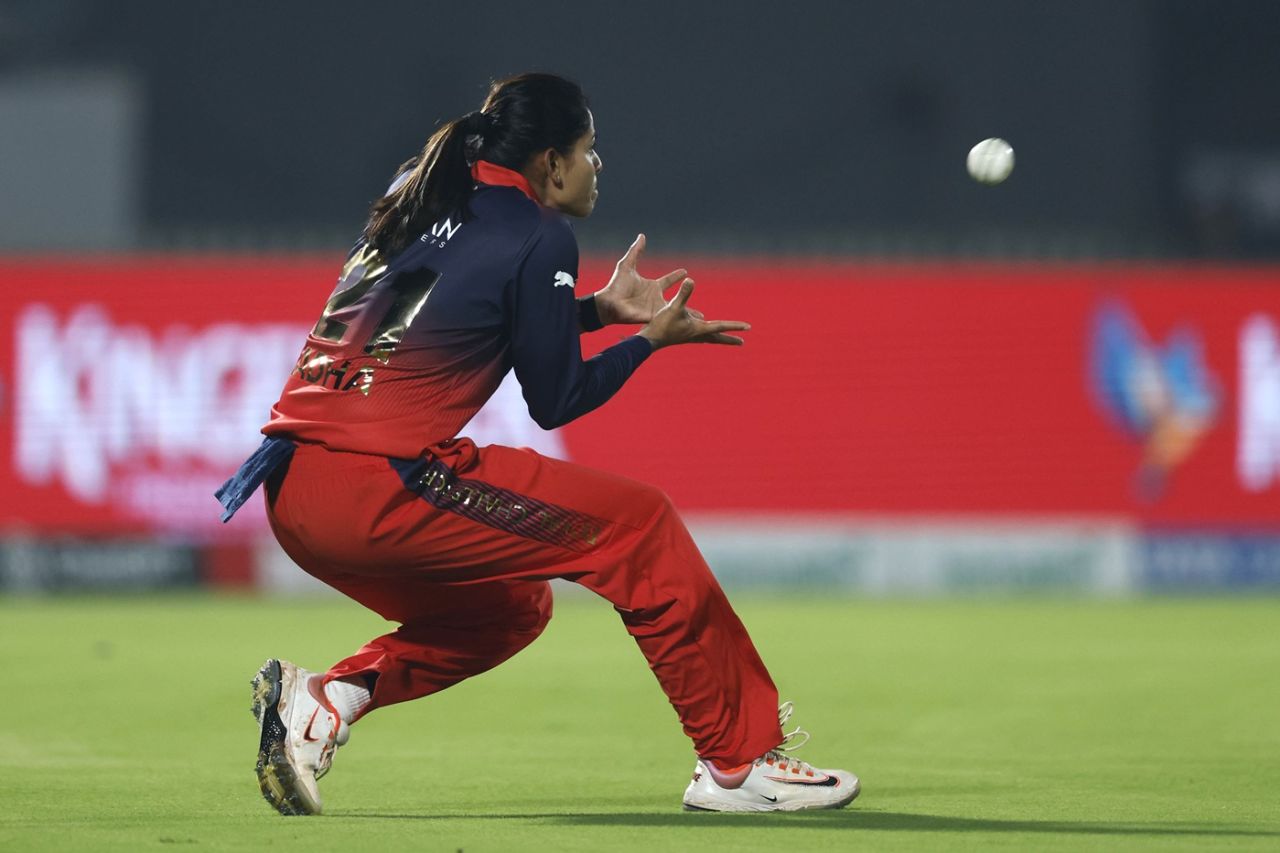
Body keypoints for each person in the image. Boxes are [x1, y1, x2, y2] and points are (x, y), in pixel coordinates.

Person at [217, 72, 859, 815]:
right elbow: (556, 399)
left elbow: (466, 310)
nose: (598, 165)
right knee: (640, 528)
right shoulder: (539, 232)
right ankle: (738, 763)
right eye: (590, 149)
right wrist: (649, 339)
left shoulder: (420, 191)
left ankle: (328, 697)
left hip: (293, 488)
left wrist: (589, 310)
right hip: (380, 483)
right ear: (551, 163)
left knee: (513, 609)